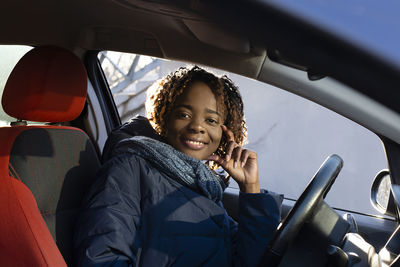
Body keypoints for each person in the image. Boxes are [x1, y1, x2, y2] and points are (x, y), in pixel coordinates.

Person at [73, 66, 283, 266]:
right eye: (184, 114)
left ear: (225, 134)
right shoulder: (129, 168)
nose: (197, 126)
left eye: (211, 120)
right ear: (165, 118)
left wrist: (251, 188)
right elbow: (101, 257)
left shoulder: (204, 185)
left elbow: (247, 261)